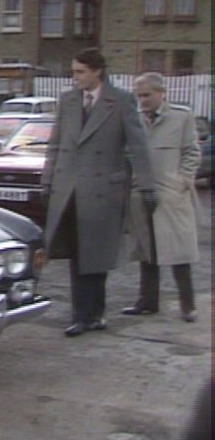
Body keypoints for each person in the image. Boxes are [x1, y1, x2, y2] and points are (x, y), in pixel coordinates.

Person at [40, 47, 157, 337]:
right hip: (69, 188)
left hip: (104, 190)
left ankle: (96, 313)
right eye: (74, 71)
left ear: (97, 72)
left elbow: (138, 147)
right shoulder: (67, 101)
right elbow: (55, 144)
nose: (75, 77)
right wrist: (47, 179)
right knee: (78, 252)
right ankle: (81, 315)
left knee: (97, 253)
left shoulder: (120, 101)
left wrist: (147, 186)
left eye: (80, 72)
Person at [122, 72, 201, 322]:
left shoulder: (181, 117)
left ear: (161, 93)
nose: (143, 100)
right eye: (139, 96)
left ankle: (188, 305)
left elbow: (191, 152)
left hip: (171, 194)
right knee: (147, 250)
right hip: (141, 192)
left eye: (147, 95)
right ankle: (147, 302)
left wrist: (182, 181)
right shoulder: (134, 120)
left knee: (180, 252)